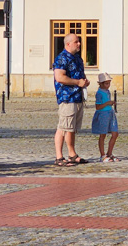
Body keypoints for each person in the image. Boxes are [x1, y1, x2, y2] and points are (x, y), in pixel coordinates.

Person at [52, 33, 90, 166]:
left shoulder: (77, 58)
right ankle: (59, 157)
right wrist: (77, 82)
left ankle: (72, 154)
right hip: (67, 97)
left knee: (71, 128)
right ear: (68, 44)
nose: (79, 44)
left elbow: (80, 76)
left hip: (77, 96)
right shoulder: (62, 58)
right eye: (76, 42)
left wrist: (84, 82)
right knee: (64, 127)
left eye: (79, 41)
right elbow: (60, 77)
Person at [91, 72, 120, 162]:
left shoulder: (107, 91)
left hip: (110, 113)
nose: (108, 85)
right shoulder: (99, 93)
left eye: (109, 83)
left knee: (115, 133)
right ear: (101, 83)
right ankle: (102, 154)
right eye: (106, 83)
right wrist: (108, 103)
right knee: (102, 135)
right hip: (103, 114)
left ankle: (109, 153)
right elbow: (97, 107)